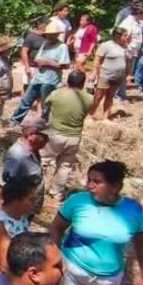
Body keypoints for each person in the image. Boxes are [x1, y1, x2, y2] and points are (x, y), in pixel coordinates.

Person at [41, 70, 94, 198]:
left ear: (68, 81)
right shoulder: (89, 98)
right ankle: (57, 192)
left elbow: (46, 103)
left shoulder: (57, 94)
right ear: (82, 83)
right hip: (74, 137)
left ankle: (33, 188)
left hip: (54, 133)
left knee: (42, 161)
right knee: (65, 166)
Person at [10, 21, 68, 124]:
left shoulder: (62, 47)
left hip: (50, 81)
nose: (49, 37)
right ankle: (15, 121)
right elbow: (37, 58)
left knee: (47, 104)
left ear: (57, 35)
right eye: (48, 35)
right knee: (26, 101)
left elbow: (65, 65)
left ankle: (45, 124)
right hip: (38, 77)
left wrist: (49, 63)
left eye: (51, 35)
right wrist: (38, 61)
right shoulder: (45, 44)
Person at [0, 115, 48, 215]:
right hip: (14, 213)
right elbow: (1, 186)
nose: (48, 140)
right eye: (44, 136)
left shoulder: (33, 152)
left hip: (24, 211)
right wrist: (5, 215)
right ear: (30, 135)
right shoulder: (17, 156)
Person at [90, 27, 130, 120]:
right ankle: (91, 114)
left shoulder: (124, 47)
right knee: (99, 95)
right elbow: (97, 60)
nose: (127, 37)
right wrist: (94, 73)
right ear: (117, 36)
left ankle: (106, 116)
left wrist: (128, 74)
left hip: (118, 76)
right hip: (106, 75)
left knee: (110, 96)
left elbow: (127, 62)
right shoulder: (106, 45)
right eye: (125, 35)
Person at [115, 7, 143, 102]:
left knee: (127, 74)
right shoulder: (127, 23)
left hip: (134, 51)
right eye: (142, 14)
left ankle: (121, 93)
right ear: (137, 14)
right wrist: (126, 50)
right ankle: (118, 95)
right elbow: (123, 37)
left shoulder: (140, 22)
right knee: (121, 73)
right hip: (127, 50)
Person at [17, 18, 46, 94]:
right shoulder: (30, 37)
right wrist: (27, 67)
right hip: (32, 66)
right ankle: (24, 103)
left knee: (40, 87)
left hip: (43, 66)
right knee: (27, 85)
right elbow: (24, 52)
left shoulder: (47, 37)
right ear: (42, 26)